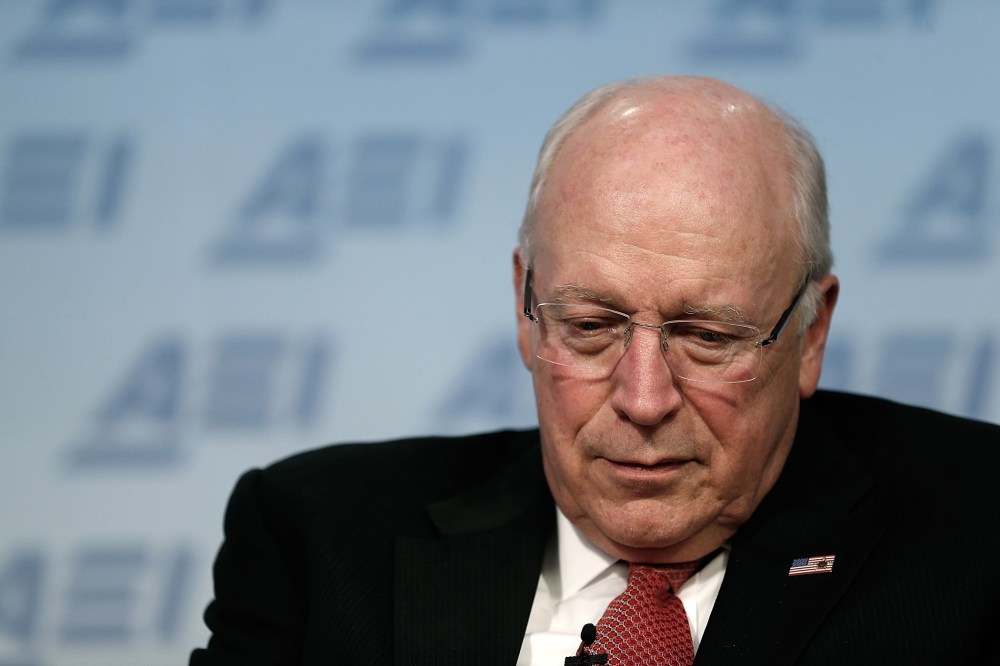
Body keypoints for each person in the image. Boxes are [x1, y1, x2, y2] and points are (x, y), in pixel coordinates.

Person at [190, 75, 1000, 665]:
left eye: (707, 336)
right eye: (589, 327)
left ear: (811, 333)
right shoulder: (318, 537)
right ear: (524, 306)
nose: (643, 399)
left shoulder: (976, 533)